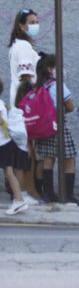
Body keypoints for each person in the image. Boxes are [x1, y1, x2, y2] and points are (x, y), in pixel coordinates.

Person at [29, 54, 79, 206]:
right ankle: (68, 195)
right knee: (70, 158)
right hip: (59, 125)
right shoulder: (58, 85)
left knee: (47, 159)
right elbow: (70, 106)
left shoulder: (41, 85)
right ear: (51, 69)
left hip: (45, 127)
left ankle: (48, 193)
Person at [0, 78, 30, 215]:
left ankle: (19, 200)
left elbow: (3, 123)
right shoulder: (1, 104)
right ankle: (19, 199)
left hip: (3, 144)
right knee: (9, 173)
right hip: (5, 143)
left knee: (9, 173)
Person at [8, 9, 41, 107]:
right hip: (26, 102)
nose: (35, 25)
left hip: (20, 100)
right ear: (21, 26)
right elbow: (26, 77)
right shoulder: (23, 45)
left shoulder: (17, 44)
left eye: (36, 22)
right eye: (31, 23)